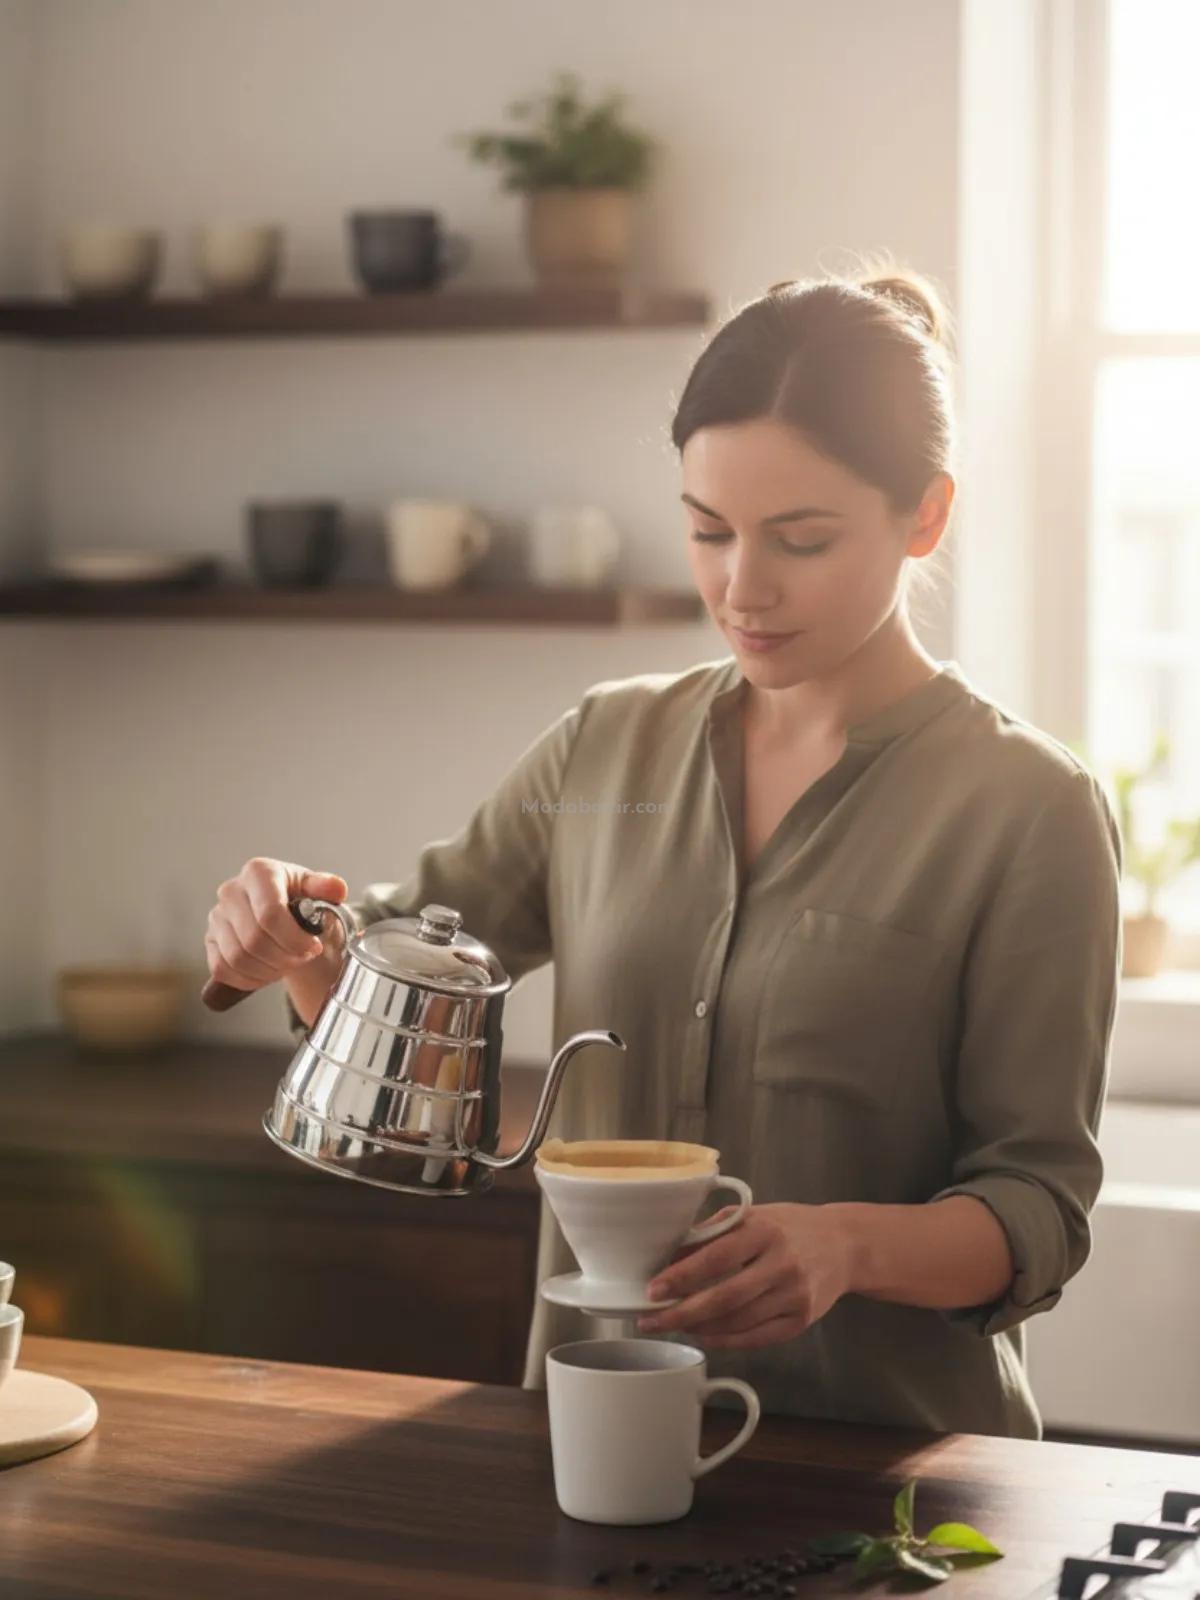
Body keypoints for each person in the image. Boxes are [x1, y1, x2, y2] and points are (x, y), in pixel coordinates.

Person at [204, 262, 1122, 1441]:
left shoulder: (1027, 808)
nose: (743, 587)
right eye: (708, 529)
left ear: (925, 516)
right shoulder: (605, 746)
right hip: (592, 1439)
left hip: (893, 1475)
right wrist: (293, 930)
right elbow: (395, 978)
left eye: (801, 539)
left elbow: (1040, 1205)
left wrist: (846, 1245)